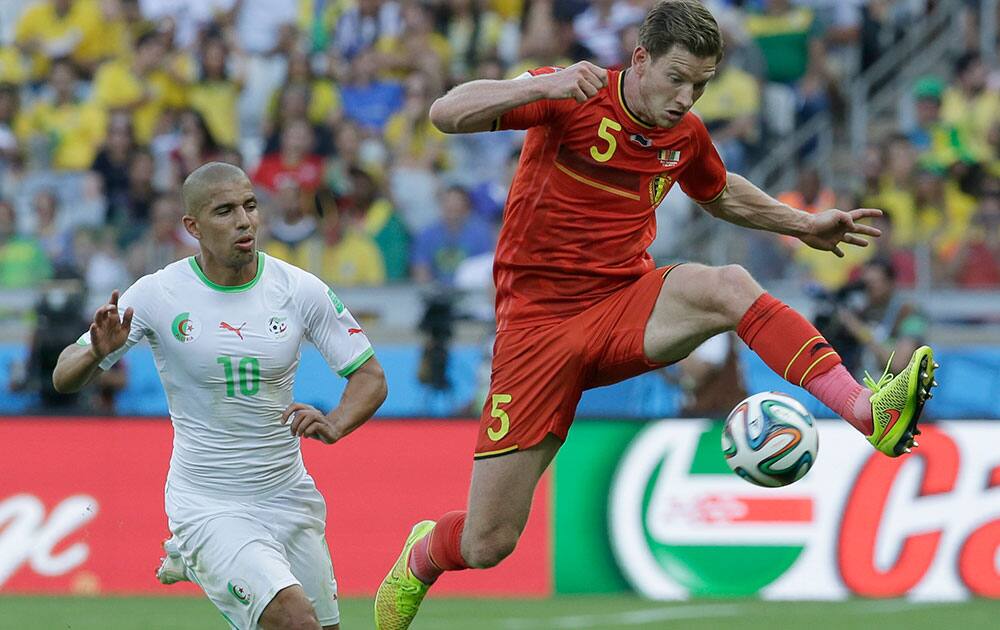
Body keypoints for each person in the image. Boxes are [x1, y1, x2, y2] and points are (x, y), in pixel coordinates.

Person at [373, 3, 938, 629]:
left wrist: (802, 223)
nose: (686, 97)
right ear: (639, 59)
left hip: (623, 302)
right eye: (676, 78)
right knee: (489, 543)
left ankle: (865, 411)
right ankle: (423, 555)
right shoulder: (574, 94)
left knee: (728, 285)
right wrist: (543, 84)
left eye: (700, 84)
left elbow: (719, 190)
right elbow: (444, 114)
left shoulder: (686, 134)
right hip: (536, 330)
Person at [52, 162, 387, 630]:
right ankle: (197, 547)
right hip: (208, 501)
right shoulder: (158, 293)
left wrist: (337, 421)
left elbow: (370, 376)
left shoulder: (298, 289)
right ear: (193, 226)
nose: (244, 221)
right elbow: (63, 374)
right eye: (225, 211)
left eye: (250, 206)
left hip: (288, 494)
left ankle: (199, 563)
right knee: (295, 622)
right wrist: (93, 356)